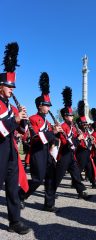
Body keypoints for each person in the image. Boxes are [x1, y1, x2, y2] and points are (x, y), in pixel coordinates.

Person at [0, 42, 31, 234]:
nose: (12, 90)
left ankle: (14, 222)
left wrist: (23, 120)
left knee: (12, 188)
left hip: (11, 151)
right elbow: (2, 130)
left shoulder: (11, 107)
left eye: (13, 87)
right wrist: (16, 119)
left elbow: (20, 131)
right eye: (9, 86)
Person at [19, 72, 60, 212]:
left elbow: (50, 138)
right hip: (37, 151)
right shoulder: (33, 119)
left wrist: (56, 134)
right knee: (37, 179)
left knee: (50, 177)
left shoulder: (47, 122)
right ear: (40, 105)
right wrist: (52, 132)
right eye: (47, 106)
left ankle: (49, 204)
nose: (49, 108)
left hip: (47, 152)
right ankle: (21, 195)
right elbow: (36, 138)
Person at [53, 86, 91, 204]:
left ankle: (81, 192)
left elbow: (75, 140)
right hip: (64, 154)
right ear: (65, 117)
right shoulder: (63, 126)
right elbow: (66, 142)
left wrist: (80, 137)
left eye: (72, 115)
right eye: (70, 116)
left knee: (76, 174)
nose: (72, 117)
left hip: (71, 156)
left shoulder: (73, 127)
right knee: (58, 177)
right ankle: (51, 192)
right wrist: (78, 139)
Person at [75, 100, 96, 188]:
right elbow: (77, 142)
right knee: (79, 169)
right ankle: (74, 182)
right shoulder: (77, 131)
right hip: (81, 152)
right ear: (80, 124)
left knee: (90, 168)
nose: (86, 125)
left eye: (86, 123)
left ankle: (93, 182)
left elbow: (88, 141)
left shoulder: (86, 132)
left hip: (87, 152)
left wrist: (91, 140)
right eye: (84, 124)